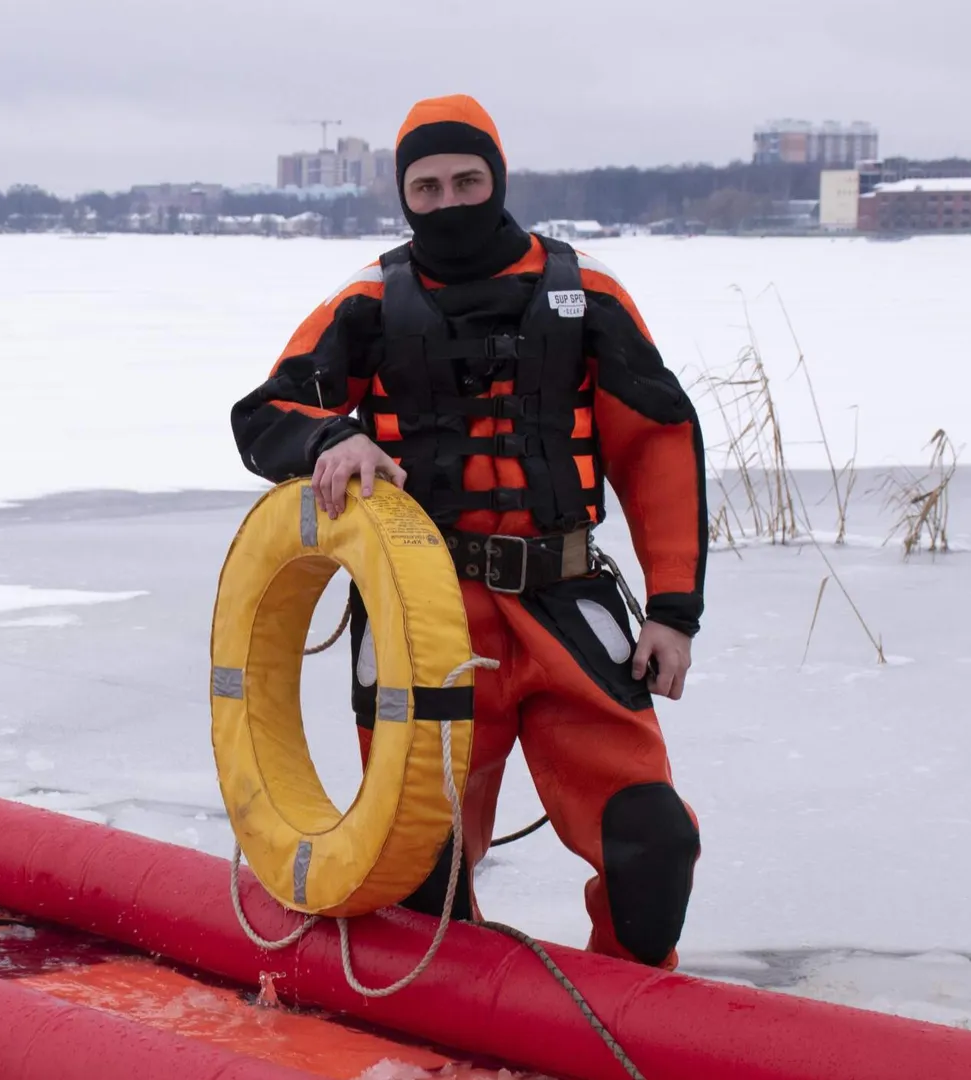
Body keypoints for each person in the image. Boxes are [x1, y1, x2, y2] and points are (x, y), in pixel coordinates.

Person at [229, 94, 707, 970]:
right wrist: (333, 437)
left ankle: (622, 1020)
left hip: (566, 604)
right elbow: (266, 415)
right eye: (427, 186)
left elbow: (659, 443)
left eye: (466, 179)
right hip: (425, 618)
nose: (448, 201)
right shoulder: (369, 302)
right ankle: (443, 1028)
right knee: (423, 874)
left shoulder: (586, 292)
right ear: (403, 195)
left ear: (497, 177)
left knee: (654, 844)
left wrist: (673, 609)